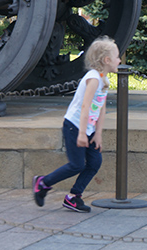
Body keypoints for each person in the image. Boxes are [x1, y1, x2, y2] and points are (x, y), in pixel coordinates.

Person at [32, 36, 121, 212]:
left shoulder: (104, 80)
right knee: (77, 165)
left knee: (94, 162)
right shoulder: (93, 79)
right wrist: (81, 133)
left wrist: (98, 133)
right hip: (75, 126)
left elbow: (101, 108)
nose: (119, 60)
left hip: (88, 129)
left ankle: (73, 197)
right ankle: (43, 183)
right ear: (107, 60)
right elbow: (85, 106)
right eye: (117, 57)